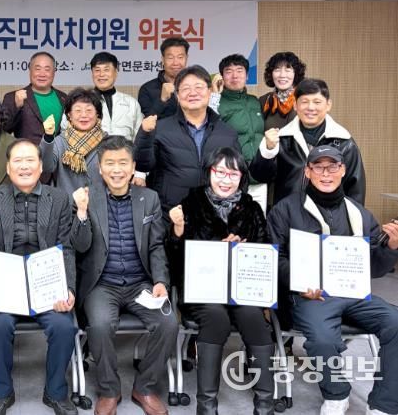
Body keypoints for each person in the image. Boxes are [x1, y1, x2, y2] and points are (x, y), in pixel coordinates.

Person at [267, 146, 398, 415]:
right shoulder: (285, 210)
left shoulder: (360, 213)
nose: (325, 173)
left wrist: (391, 248)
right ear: (307, 171)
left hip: (354, 294)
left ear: (343, 170)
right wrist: (300, 281)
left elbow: (375, 268)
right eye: (318, 167)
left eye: (332, 167)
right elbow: (274, 257)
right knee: (323, 338)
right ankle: (337, 394)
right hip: (311, 295)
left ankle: (384, 404)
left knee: (395, 322)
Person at [70, 136, 178, 415]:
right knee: (100, 325)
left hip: (140, 282)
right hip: (102, 284)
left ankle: (145, 387)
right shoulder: (87, 197)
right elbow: (79, 246)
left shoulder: (149, 198)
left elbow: (156, 245)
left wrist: (160, 281)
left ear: (132, 167)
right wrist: (81, 212)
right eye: (110, 163)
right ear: (99, 168)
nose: (116, 170)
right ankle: (109, 390)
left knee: (168, 323)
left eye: (122, 163)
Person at [166, 147, 275, 415]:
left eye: (233, 174)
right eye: (220, 172)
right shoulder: (190, 204)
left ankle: (265, 404)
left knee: (253, 317)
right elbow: (174, 258)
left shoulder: (251, 208)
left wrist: (243, 249)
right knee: (216, 318)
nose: (226, 180)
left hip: (242, 288)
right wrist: (178, 231)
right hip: (203, 291)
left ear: (242, 178)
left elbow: (265, 253)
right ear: (209, 173)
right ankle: (207, 405)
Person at [0, 139, 78, 415]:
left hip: (46, 282)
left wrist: (68, 288)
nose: (24, 166)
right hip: (5, 284)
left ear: (41, 166)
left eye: (30, 160)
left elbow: (66, 248)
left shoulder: (59, 199)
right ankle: (1, 392)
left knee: (63, 327)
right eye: (17, 161)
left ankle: (56, 392)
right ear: (8, 167)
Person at [134, 65, 241, 213]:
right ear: (177, 95)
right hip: (170, 212)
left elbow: (239, 174)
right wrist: (145, 135)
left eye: (198, 87)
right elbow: (143, 164)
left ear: (210, 91)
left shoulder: (227, 133)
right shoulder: (161, 129)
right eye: (185, 88)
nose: (192, 93)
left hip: (215, 215)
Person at [249, 78, 366, 206]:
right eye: (304, 102)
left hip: (330, 215)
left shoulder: (344, 142)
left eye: (317, 102)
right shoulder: (282, 138)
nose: (310, 107)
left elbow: (355, 190)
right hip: (288, 214)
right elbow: (260, 176)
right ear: (295, 105)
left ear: (328, 105)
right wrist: (268, 151)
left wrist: (350, 217)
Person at [216, 54, 267, 210]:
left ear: (247, 75)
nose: (234, 76)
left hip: (259, 175)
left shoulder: (255, 101)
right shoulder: (217, 103)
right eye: (229, 71)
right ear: (222, 77)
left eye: (239, 70)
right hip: (232, 176)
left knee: (259, 220)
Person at [40, 88, 105, 198]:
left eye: (89, 110)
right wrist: (48, 137)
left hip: (100, 204)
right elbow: (46, 167)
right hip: (67, 205)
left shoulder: (108, 142)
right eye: (78, 110)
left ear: (97, 114)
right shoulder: (60, 141)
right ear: (69, 115)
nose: (83, 115)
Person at [1, 51, 68, 144]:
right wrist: (16, 107)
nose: (42, 74)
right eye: (37, 69)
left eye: (47, 69)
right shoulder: (13, 97)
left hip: (58, 153)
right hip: (27, 152)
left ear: (54, 72)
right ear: (30, 70)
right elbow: (3, 130)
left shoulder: (64, 98)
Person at [137, 37, 189, 120]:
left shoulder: (196, 87)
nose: (175, 63)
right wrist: (162, 100)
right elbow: (147, 122)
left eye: (180, 57)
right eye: (170, 58)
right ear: (163, 59)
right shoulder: (147, 89)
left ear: (186, 58)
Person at [259, 52, 307, 131]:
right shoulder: (264, 101)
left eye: (288, 70)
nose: (282, 75)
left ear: (296, 73)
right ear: (271, 74)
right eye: (277, 70)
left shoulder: (305, 99)